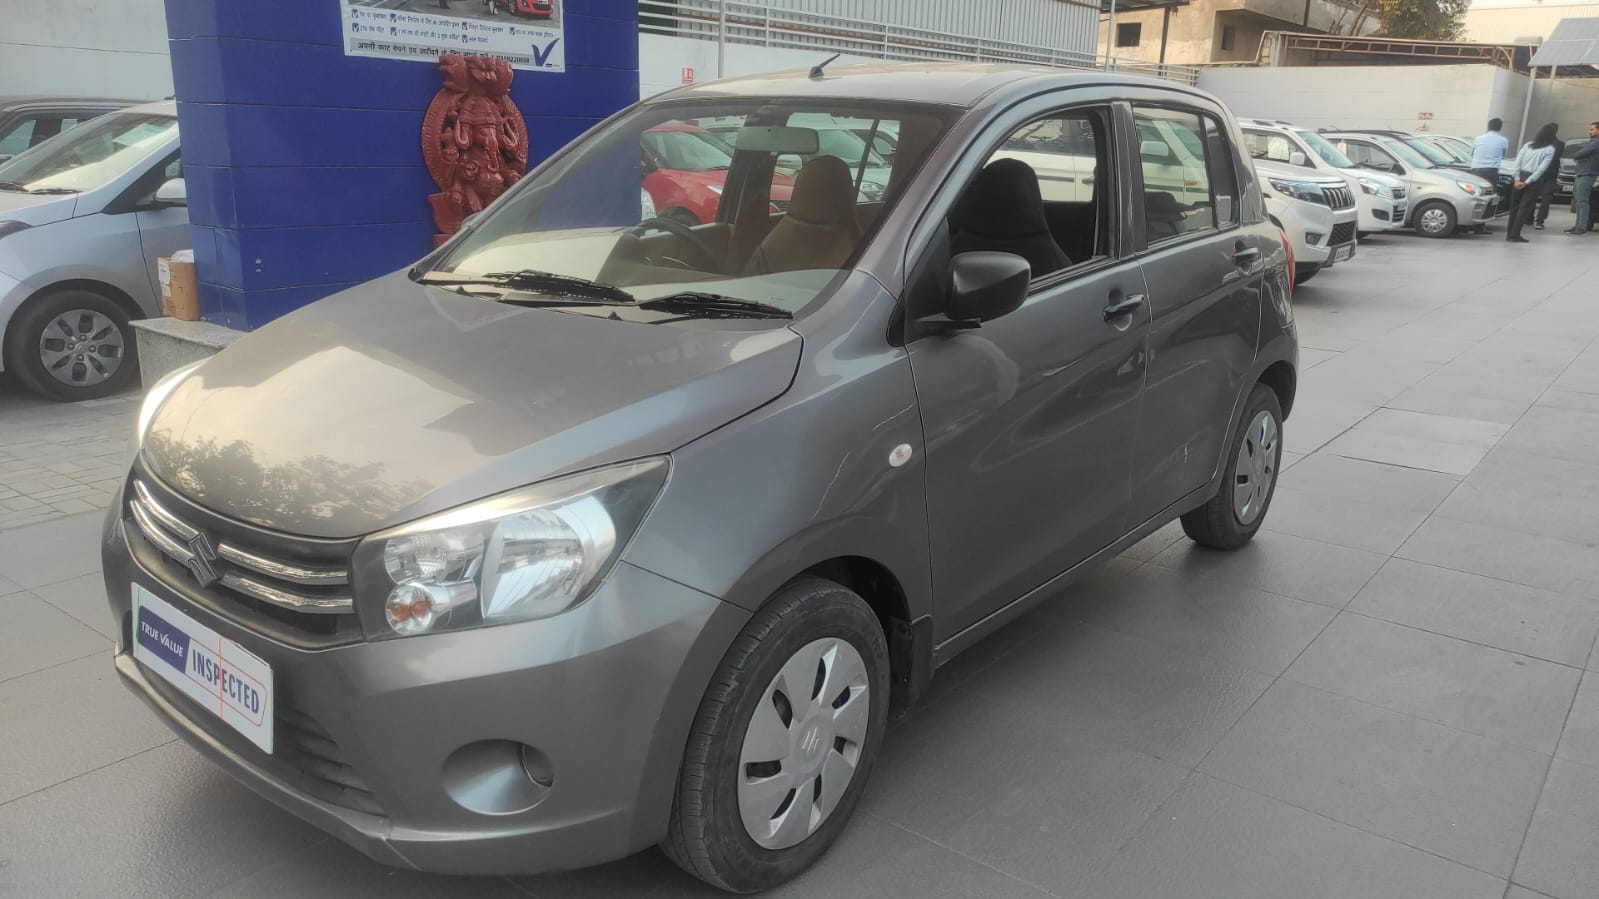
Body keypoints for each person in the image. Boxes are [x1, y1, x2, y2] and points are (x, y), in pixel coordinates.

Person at [1507, 123, 1559, 242]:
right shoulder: (1550, 149)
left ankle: (1509, 234)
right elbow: (1541, 169)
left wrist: (1517, 179)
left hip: (1520, 176)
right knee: (1524, 208)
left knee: (1514, 207)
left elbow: (1517, 162)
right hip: (1533, 180)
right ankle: (1515, 234)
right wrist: (1527, 182)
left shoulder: (1528, 145)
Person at [1470, 118, 1510, 232]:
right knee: (1488, 198)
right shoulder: (1503, 140)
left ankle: (1471, 222)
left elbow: (1472, 153)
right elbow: (1503, 155)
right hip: (1491, 171)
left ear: (1488, 126)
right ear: (1500, 127)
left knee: (1475, 196)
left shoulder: (1478, 139)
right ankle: (1480, 225)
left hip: (1476, 169)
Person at [1566, 121, 1599, 235]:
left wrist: (1580, 157)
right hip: (1582, 172)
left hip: (1587, 173)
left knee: (1583, 201)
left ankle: (1581, 227)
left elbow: (1578, 154)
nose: (1590, 131)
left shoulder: (1596, 143)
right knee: (1579, 201)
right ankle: (1578, 225)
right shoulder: (1592, 142)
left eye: (1592, 129)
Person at [1534, 124, 1565, 229]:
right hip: (1551, 174)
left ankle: (1528, 218)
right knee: (1546, 198)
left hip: (1537, 173)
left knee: (1532, 196)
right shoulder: (1559, 144)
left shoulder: (1538, 144)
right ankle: (1540, 221)